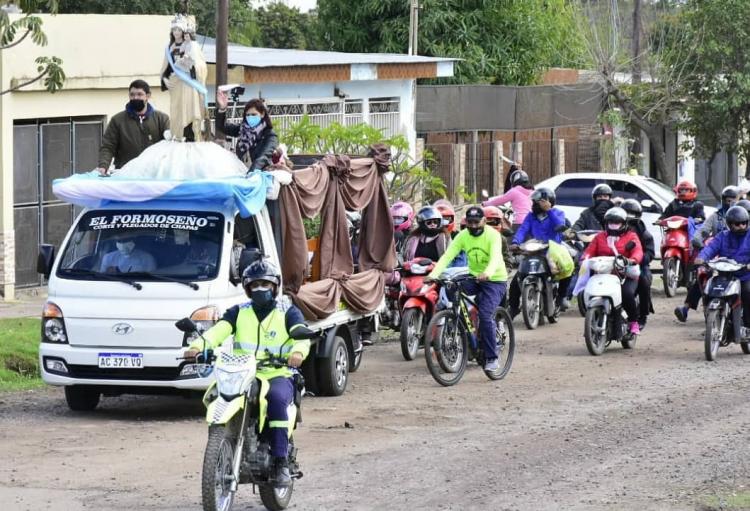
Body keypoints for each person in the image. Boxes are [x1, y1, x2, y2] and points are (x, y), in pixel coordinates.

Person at [184, 260, 314, 487]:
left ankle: (281, 462)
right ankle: (224, 446)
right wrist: (198, 347)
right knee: (218, 394)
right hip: (242, 371)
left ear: (275, 286)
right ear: (247, 288)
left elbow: (298, 334)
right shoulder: (238, 312)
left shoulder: (287, 311)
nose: (260, 289)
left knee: (275, 399)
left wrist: (298, 353)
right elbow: (218, 331)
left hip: (277, 372)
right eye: (255, 284)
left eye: (265, 283)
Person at [426, 206, 508, 372]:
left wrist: (488, 273)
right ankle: (458, 325)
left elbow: (495, 258)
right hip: (474, 277)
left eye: (476, 222)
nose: (473, 226)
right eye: (469, 222)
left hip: (495, 279)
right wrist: (433, 274)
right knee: (451, 289)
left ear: (484, 221)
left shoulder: (493, 236)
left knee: (485, 315)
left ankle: (492, 358)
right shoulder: (463, 236)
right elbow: (448, 256)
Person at [508, 187, 571, 317]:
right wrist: (515, 242)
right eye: (535, 202)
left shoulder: (558, 213)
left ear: (549, 201)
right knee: (516, 279)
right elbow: (522, 230)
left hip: (553, 251)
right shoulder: (531, 216)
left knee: (567, 268)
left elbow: (560, 225)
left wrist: (549, 211)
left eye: (540, 201)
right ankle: (513, 307)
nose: (536, 204)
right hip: (535, 249)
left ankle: (562, 297)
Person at [581, 207, 644, 335]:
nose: (614, 225)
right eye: (611, 222)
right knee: (584, 291)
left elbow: (638, 251)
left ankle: (633, 322)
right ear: (606, 223)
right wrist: (584, 259)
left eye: (617, 222)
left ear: (624, 223)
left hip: (624, 274)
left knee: (626, 294)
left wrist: (632, 260)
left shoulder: (631, 236)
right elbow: (589, 251)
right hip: (603, 274)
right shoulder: (599, 237)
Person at [691, 206, 750, 328]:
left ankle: (748, 325)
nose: (741, 226)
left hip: (745, 276)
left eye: (744, 223)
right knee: (709, 290)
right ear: (729, 224)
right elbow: (710, 248)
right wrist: (701, 258)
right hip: (725, 276)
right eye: (737, 224)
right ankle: (712, 322)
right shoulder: (723, 236)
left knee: (747, 292)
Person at [96, 79, 170, 175]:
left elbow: (170, 145)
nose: (135, 98)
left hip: (154, 175)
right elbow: (108, 146)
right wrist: (103, 166)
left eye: (139, 94)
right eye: (132, 94)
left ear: (148, 96)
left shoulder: (161, 119)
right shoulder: (117, 120)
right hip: (126, 175)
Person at [160, 14, 208, 142]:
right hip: (175, 82)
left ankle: (192, 135)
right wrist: (164, 79)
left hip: (189, 82)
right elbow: (165, 68)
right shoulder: (169, 47)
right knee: (176, 111)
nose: (177, 32)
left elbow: (201, 64)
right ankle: (177, 135)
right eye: (174, 30)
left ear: (184, 32)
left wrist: (192, 65)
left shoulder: (192, 45)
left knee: (192, 110)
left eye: (179, 30)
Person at [215, 92, 278, 172]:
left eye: (253, 114)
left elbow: (263, 157)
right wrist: (222, 108)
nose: (250, 117)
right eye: (247, 115)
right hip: (241, 173)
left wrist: (250, 174)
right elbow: (221, 127)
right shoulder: (242, 130)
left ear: (262, 114)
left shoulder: (270, 135)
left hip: (260, 175)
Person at [621, 199, 655, 330]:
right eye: (626, 212)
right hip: (618, 264)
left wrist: (639, 260)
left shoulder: (643, 232)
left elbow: (650, 252)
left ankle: (643, 314)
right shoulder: (614, 228)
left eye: (632, 213)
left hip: (639, 265)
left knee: (645, 282)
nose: (629, 216)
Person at [484, 206, 514, 271]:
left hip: (496, 273)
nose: (493, 223)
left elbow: (507, 261)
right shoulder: (473, 237)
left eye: (496, 221)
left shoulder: (502, 239)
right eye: (489, 221)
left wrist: (505, 271)